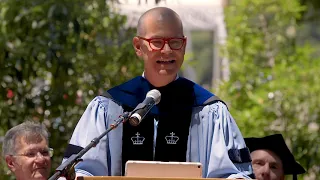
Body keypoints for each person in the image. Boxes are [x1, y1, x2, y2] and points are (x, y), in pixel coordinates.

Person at [62, 7, 253, 179]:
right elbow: (83, 172)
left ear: (184, 46)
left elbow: (235, 173)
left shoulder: (208, 110)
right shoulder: (110, 107)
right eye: (157, 42)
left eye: (175, 42)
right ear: (138, 46)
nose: (167, 50)